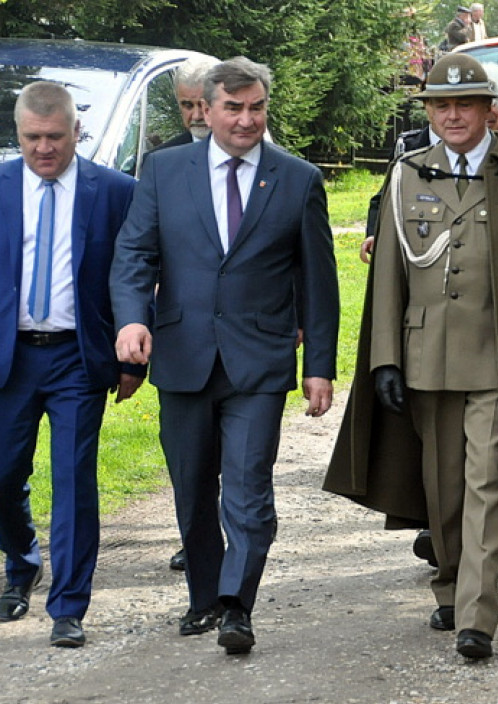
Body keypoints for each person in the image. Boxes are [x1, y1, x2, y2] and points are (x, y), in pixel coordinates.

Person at [323, 53, 498, 661]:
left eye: (465, 104)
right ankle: (449, 584)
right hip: (427, 359)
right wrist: (384, 358)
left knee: (487, 482)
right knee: (443, 489)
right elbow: (388, 276)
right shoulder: (408, 174)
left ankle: (476, 616)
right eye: (441, 105)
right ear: (430, 113)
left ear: (492, 109)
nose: (453, 115)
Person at [111, 57, 339, 655]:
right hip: (184, 355)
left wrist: (319, 364)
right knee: (191, 488)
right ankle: (205, 595)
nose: (245, 120)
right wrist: (134, 318)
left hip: (258, 361)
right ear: (205, 111)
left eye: (256, 108)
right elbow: (135, 253)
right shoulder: (164, 171)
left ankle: (238, 604)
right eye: (233, 108)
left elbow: (319, 280)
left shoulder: (296, 179)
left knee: (247, 489)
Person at [0, 82, 141, 647]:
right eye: (32, 138)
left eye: (55, 137)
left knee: (74, 481)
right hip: (11, 360)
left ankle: (69, 607)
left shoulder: (114, 192)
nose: (44, 149)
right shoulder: (3, 187)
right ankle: (22, 562)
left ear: (76, 131)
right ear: (18, 134)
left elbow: (134, 275)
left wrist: (132, 357)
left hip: (78, 358)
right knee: (4, 474)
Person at [145, 52, 221, 573]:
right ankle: (196, 533)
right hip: (180, 331)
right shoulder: (160, 164)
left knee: (232, 451)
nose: (195, 115)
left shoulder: (268, 161)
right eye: (185, 105)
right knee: (186, 454)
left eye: (201, 104)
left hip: (243, 331)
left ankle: (230, 537)